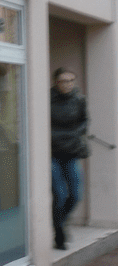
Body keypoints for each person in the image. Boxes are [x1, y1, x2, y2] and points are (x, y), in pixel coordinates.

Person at [50, 67, 88, 250]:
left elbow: (85, 121)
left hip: (72, 152)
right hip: (52, 153)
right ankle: (59, 234)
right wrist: (59, 136)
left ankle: (60, 222)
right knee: (59, 195)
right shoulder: (48, 99)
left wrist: (74, 134)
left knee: (75, 195)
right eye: (64, 81)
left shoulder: (79, 99)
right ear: (56, 82)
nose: (68, 84)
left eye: (71, 80)